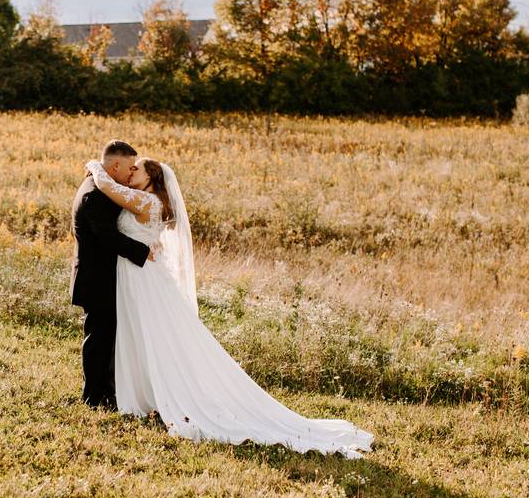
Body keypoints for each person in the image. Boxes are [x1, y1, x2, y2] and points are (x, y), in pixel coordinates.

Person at [83, 157, 375, 458]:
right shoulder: (147, 199)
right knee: (142, 334)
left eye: (136, 169)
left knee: (155, 335)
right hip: (137, 275)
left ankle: (159, 393)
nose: (131, 172)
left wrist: (95, 165)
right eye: (130, 168)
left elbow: (106, 185)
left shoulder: (147, 201)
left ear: (151, 179)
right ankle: (141, 390)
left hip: (143, 278)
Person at [70, 140, 152, 409]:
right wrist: (144, 251)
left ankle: (107, 391)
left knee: (108, 337)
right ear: (115, 165)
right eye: (129, 168)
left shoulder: (103, 187)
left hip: (108, 278)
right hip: (96, 280)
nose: (131, 173)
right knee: (98, 339)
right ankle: (94, 397)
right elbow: (108, 238)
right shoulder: (93, 195)